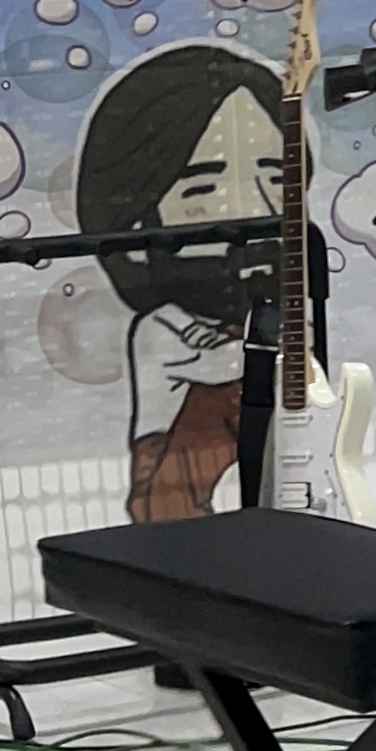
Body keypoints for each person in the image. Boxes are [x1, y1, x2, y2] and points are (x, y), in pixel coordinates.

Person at [74, 39, 314, 519]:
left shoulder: (270, 310)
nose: (255, 210)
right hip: (171, 493)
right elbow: (226, 365)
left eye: (275, 179)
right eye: (202, 188)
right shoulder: (160, 328)